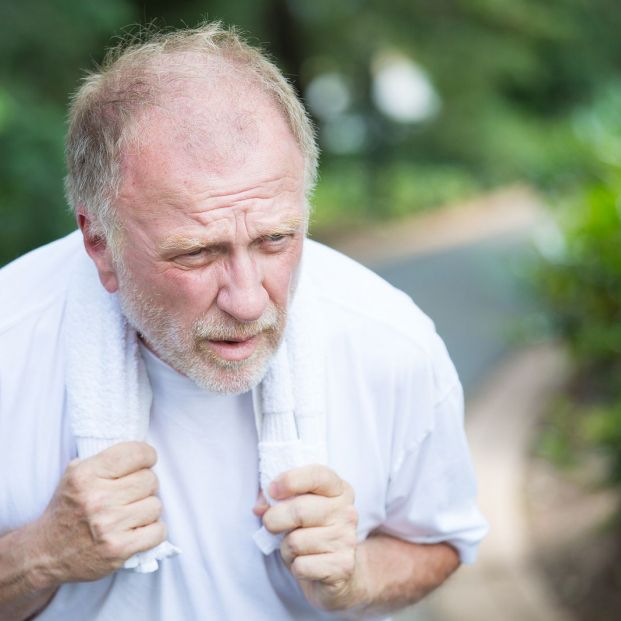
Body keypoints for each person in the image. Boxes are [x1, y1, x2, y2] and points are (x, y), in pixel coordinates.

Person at [0, 22, 487, 621]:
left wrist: (357, 574)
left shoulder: (390, 342)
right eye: (196, 252)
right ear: (100, 244)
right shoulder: (12, 339)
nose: (249, 302)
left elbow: (439, 541)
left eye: (276, 239)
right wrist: (38, 554)